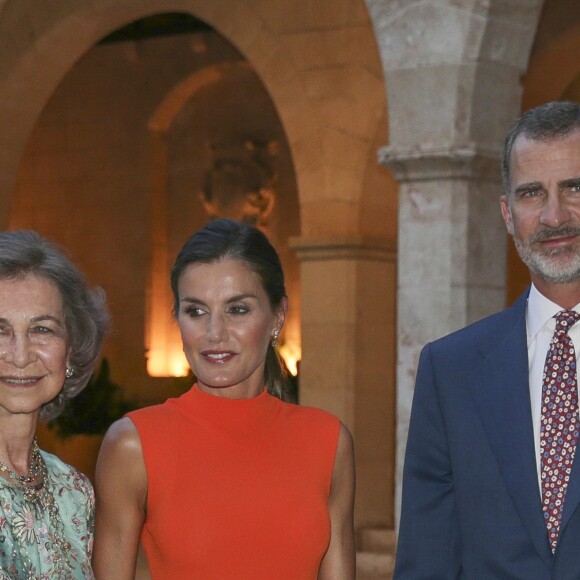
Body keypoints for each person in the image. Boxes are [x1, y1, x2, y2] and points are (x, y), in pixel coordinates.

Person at [93, 218, 356, 579]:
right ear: (178, 318)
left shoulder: (329, 441)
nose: (215, 333)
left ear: (277, 316)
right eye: (196, 311)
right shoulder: (133, 444)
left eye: (238, 309)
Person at [394, 100, 580, 579]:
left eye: (574, 188)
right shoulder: (450, 369)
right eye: (532, 193)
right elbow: (427, 559)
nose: (554, 215)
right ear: (507, 213)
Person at [0, 230, 108, 578]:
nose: (20, 356)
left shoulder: (75, 491)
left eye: (42, 329)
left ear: (71, 349)